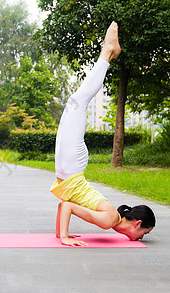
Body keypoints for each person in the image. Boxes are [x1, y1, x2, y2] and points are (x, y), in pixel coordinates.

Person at [51, 21, 156, 247]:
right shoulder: (109, 219)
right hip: (72, 168)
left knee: (76, 103)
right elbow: (68, 206)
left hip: (68, 171)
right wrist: (66, 237)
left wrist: (62, 234)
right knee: (78, 102)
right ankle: (107, 52)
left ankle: (107, 53)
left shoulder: (110, 219)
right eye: (144, 233)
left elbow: (65, 204)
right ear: (137, 224)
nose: (142, 237)